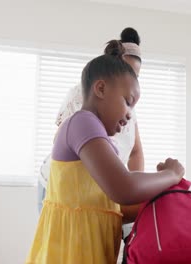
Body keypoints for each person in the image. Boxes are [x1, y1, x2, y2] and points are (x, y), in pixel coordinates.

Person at [26, 46, 185, 264]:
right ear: (100, 89)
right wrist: (172, 174)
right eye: (128, 102)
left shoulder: (104, 144)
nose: (130, 114)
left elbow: (111, 205)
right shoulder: (83, 122)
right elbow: (124, 188)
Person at [38, 28, 144, 223]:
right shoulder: (82, 118)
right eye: (127, 71)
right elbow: (122, 186)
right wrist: (170, 175)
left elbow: (135, 152)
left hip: (104, 190)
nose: (132, 79)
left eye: (136, 75)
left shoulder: (127, 110)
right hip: (70, 190)